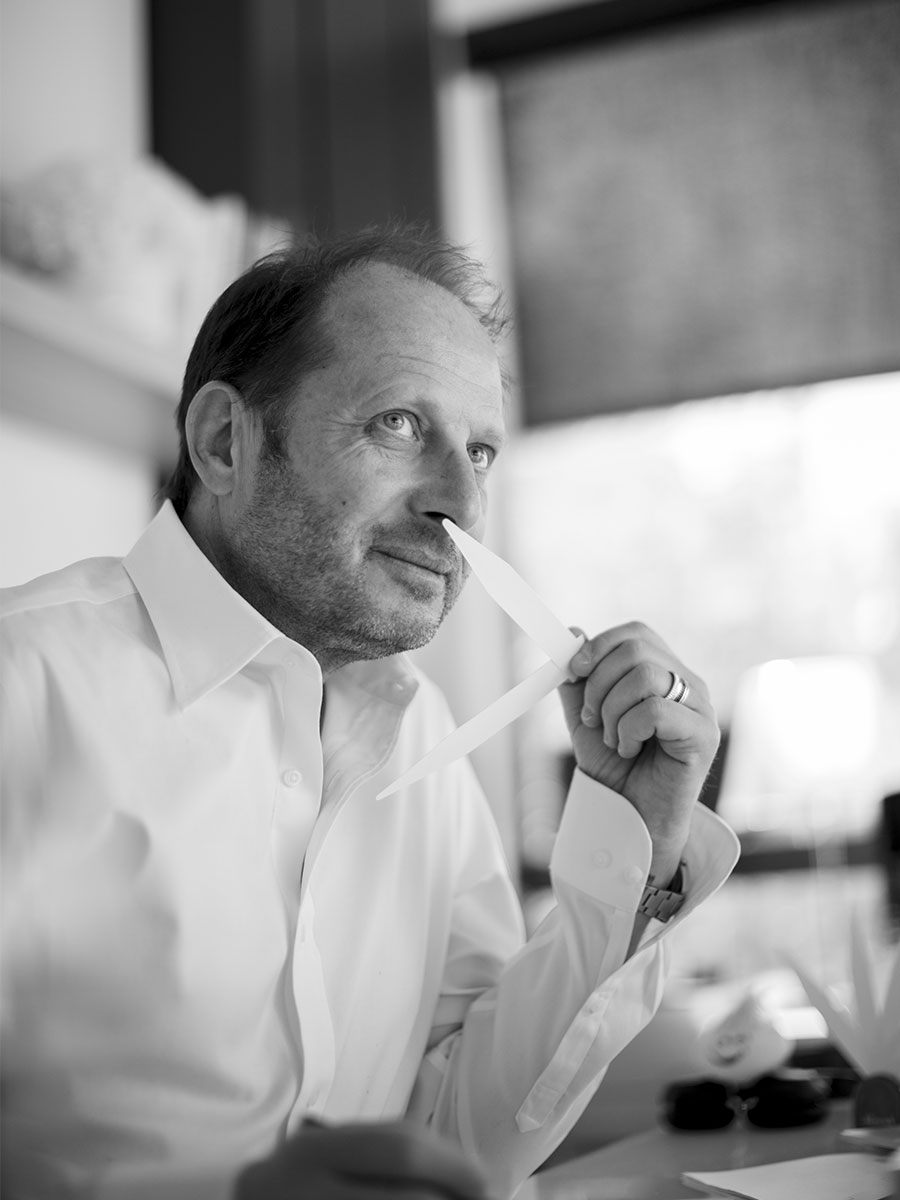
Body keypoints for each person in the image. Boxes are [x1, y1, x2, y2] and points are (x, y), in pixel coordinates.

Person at [0, 226, 739, 1200]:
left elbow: (461, 1135)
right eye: (398, 424)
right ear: (224, 442)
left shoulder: (419, 726)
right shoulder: (21, 691)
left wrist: (640, 833)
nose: (462, 504)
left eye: (481, 450)